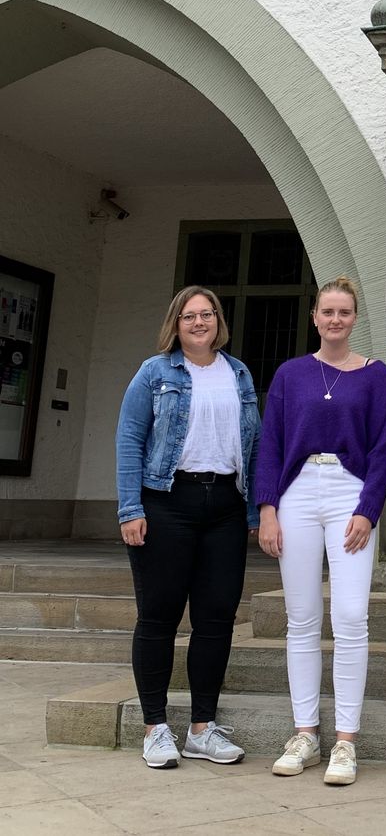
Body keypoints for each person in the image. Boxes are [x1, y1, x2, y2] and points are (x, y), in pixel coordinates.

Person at [254, 276, 386, 786]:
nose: (335, 320)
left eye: (344, 312)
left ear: (356, 318)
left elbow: (383, 446)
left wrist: (368, 509)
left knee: (351, 614)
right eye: (327, 312)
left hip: (348, 493)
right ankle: (306, 733)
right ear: (314, 317)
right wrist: (267, 507)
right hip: (297, 493)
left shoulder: (375, 376)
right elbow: (270, 443)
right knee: (302, 617)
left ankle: (346, 741)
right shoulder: (291, 374)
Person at [116, 285, 260, 769]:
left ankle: (202, 727)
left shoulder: (238, 373)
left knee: (216, 619)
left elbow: (254, 447)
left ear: (219, 321)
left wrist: (256, 512)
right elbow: (130, 439)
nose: (199, 322)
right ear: (175, 324)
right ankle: (155, 727)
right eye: (189, 315)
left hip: (224, 505)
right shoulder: (155, 372)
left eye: (208, 314)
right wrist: (130, 508)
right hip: (166, 502)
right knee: (158, 616)